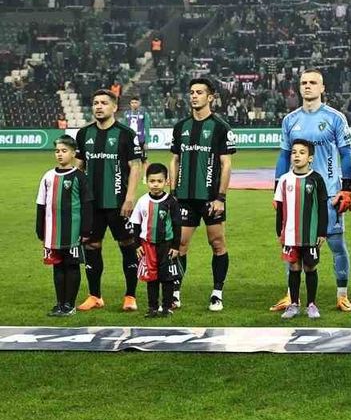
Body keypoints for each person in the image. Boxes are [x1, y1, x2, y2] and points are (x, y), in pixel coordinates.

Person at [270, 70, 351, 312]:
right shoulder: (290, 120)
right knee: (293, 245)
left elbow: (346, 155)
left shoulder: (335, 118)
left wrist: (346, 189)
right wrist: (277, 191)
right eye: (304, 83)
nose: (308, 86)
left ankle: (342, 295)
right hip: (296, 195)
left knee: (336, 244)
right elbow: (283, 156)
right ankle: (292, 296)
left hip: (329, 194)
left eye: (313, 83)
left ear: (322, 88)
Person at [169, 77, 237, 311]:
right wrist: (173, 192)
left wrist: (221, 197)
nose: (194, 96)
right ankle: (175, 292)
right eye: (192, 92)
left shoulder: (220, 127)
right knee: (180, 244)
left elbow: (226, 164)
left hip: (211, 198)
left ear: (210, 97)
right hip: (184, 198)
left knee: (217, 243)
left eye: (199, 92)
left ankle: (217, 293)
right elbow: (175, 160)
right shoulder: (181, 127)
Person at [74, 89, 143, 312]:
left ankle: (130, 296)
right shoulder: (84, 134)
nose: (98, 106)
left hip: (119, 203)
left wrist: (130, 198)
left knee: (127, 245)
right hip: (91, 204)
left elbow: (136, 166)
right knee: (91, 245)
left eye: (104, 103)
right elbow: (79, 166)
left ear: (114, 107)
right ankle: (95, 296)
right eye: (95, 103)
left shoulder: (126, 134)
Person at [37, 136, 94, 317]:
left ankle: (70, 304)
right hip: (53, 232)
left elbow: (87, 205)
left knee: (72, 266)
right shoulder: (48, 176)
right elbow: (41, 204)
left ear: (73, 153)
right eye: (57, 151)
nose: (60, 154)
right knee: (57, 266)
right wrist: (40, 229)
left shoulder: (80, 177)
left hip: (73, 232)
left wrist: (86, 230)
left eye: (64, 151)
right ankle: (60, 303)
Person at [274, 139, 330, 320]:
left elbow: (323, 208)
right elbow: (280, 209)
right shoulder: (284, 180)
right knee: (294, 267)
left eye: (302, 152)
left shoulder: (316, 179)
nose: (297, 155)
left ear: (310, 158)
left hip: (311, 234)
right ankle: (294, 304)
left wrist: (322, 232)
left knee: (310, 267)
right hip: (290, 234)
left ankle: (311, 304)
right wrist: (279, 232)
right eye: (294, 152)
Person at [128, 163, 182, 317]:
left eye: (159, 181)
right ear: (147, 181)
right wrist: (137, 245)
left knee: (167, 277)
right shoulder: (142, 201)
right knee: (151, 277)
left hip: (166, 245)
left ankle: (167, 307)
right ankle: (152, 307)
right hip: (148, 245)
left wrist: (175, 246)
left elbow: (177, 225)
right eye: (152, 181)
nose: (156, 184)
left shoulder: (171, 202)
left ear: (166, 181)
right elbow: (136, 224)